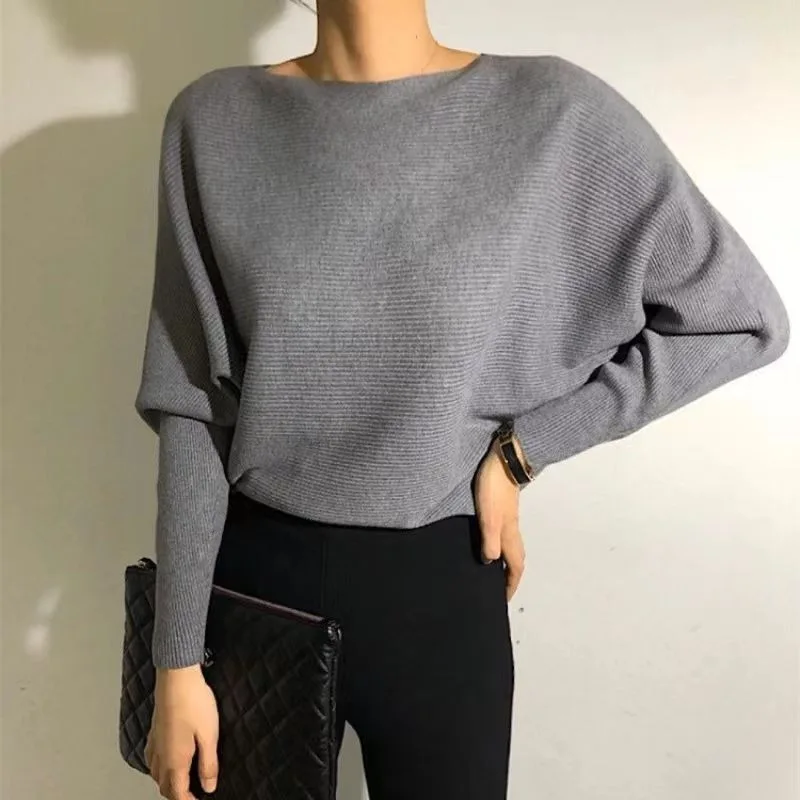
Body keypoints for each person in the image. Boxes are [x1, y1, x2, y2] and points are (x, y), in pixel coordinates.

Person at [133, 1, 790, 799]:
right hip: (253, 587)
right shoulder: (213, 122)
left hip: (440, 591)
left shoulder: (553, 115)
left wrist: (521, 453)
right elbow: (194, 406)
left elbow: (737, 318)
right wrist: (176, 659)